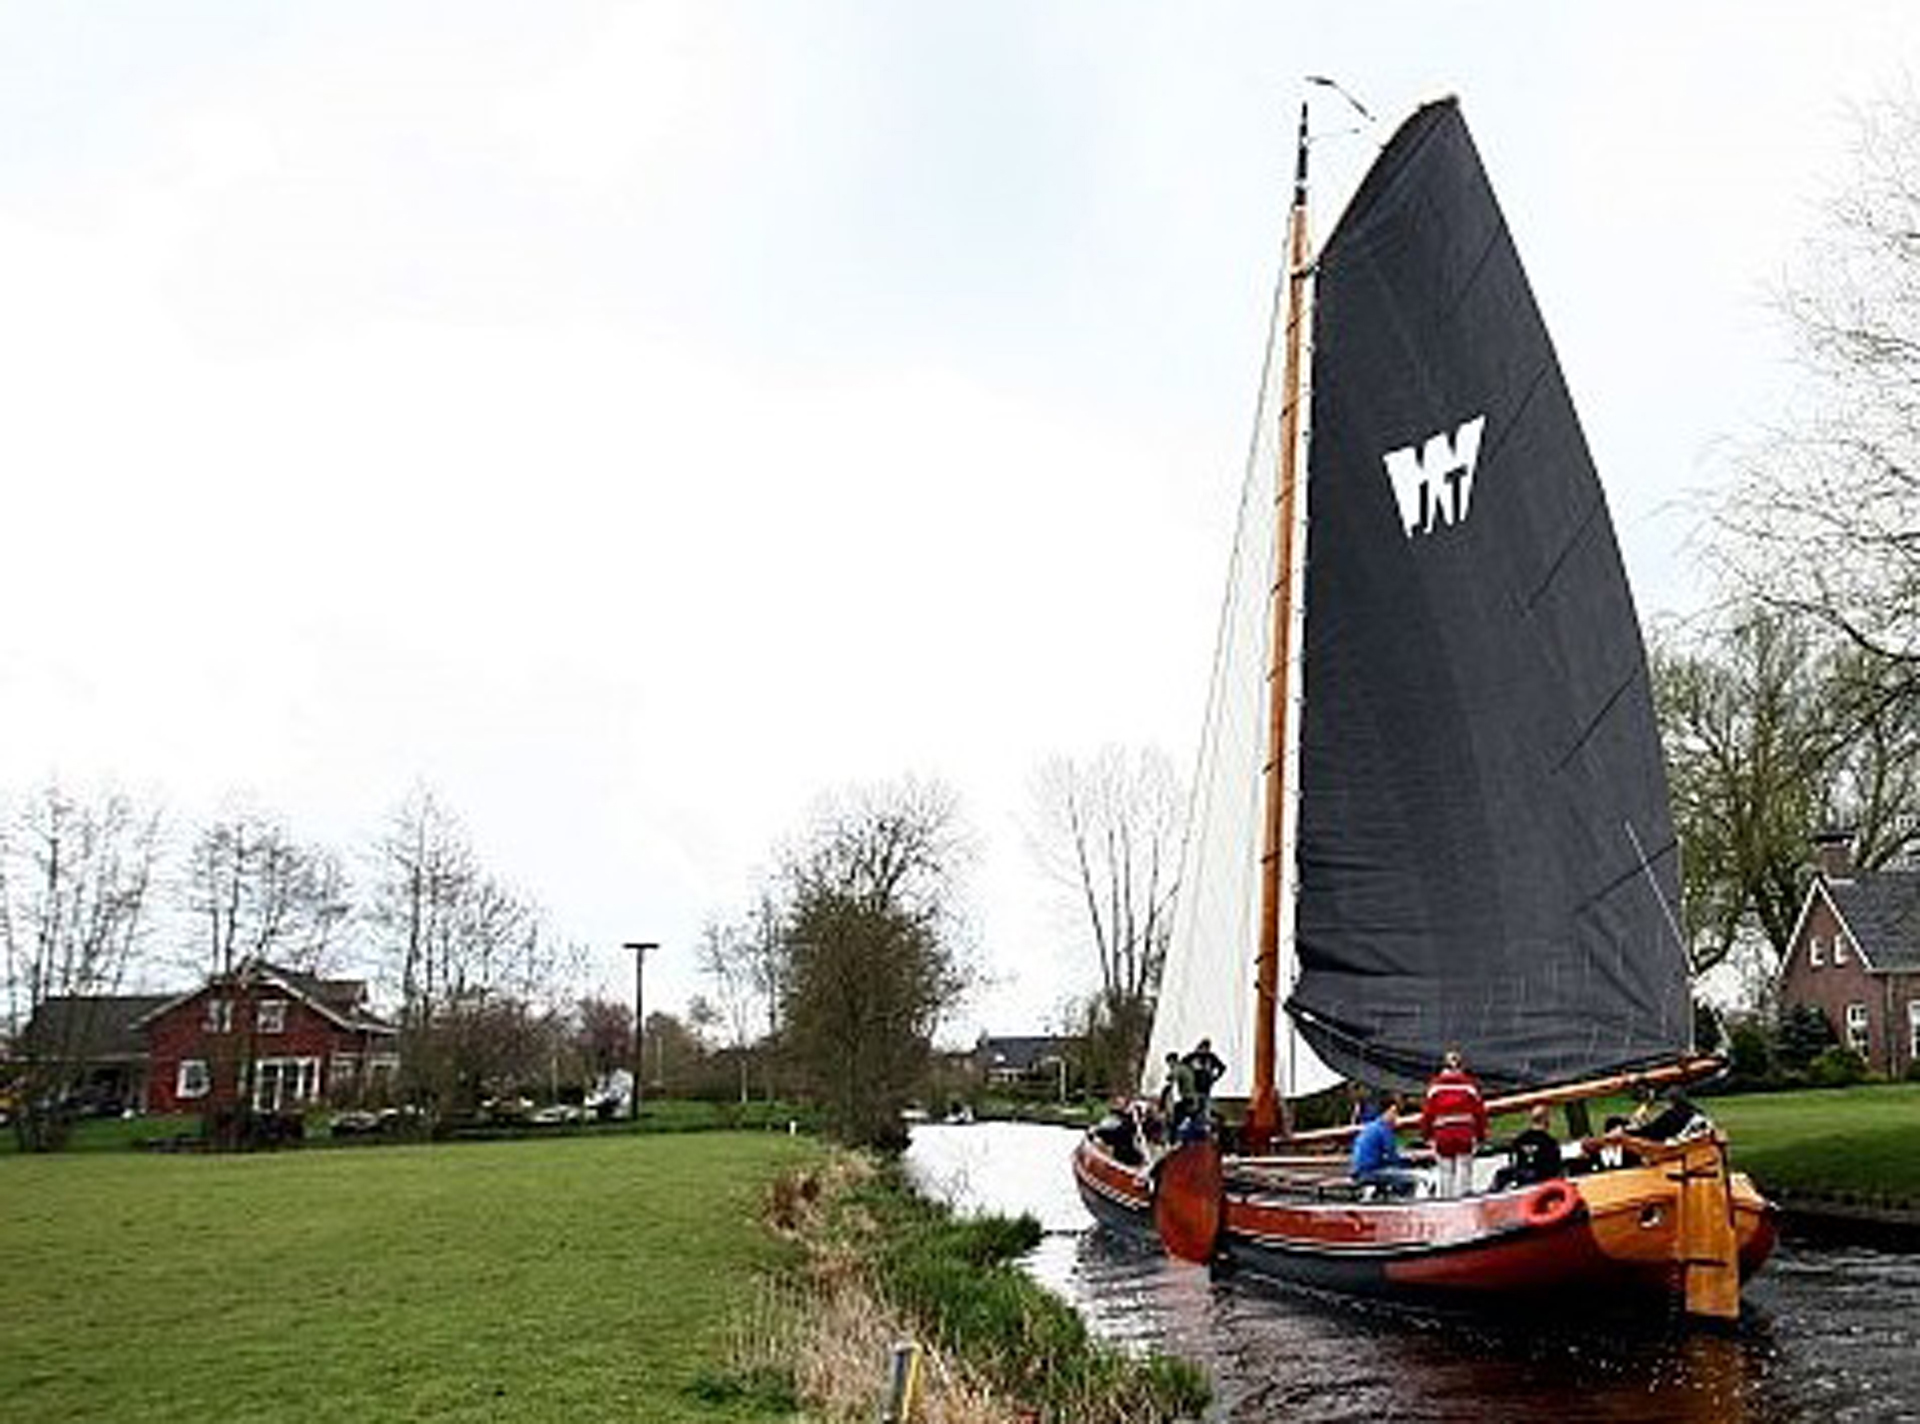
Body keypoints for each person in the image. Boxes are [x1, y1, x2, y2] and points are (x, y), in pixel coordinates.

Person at [1421, 1047, 1489, 1198]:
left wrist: (1426, 1136)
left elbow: (1427, 1115)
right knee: (1464, 1169)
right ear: (1461, 1067)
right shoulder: (1470, 1086)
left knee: (1446, 1172)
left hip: (1442, 1135)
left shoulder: (1435, 1087)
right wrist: (1481, 1136)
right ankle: (1463, 1198)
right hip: (1465, 1134)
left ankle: (1446, 1200)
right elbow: (1480, 1114)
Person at [1350, 1098, 1421, 1198]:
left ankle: (1383, 1196)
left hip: (1358, 1171)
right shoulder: (1384, 1129)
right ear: (1385, 1112)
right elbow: (1392, 1157)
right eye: (1393, 1112)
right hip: (1369, 1172)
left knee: (1395, 1171)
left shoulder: (1371, 1126)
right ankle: (1403, 1201)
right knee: (1412, 1177)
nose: (1396, 1116)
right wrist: (1409, 1161)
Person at [1491, 1104, 1563, 1190]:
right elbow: (1556, 1170)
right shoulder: (1550, 1143)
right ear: (1546, 1120)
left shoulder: (1519, 1141)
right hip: (1541, 1185)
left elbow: (1514, 1163)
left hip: (1522, 1182)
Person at [1181, 1039, 1226, 1123]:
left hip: (1206, 1087)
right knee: (1194, 1107)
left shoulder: (1211, 1057)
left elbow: (1222, 1068)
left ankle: (1203, 1123)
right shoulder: (1192, 1057)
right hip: (1193, 1087)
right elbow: (1181, 1065)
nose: (1204, 1051)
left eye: (1206, 1048)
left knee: (1205, 1107)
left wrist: (1215, 1078)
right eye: (1203, 1048)